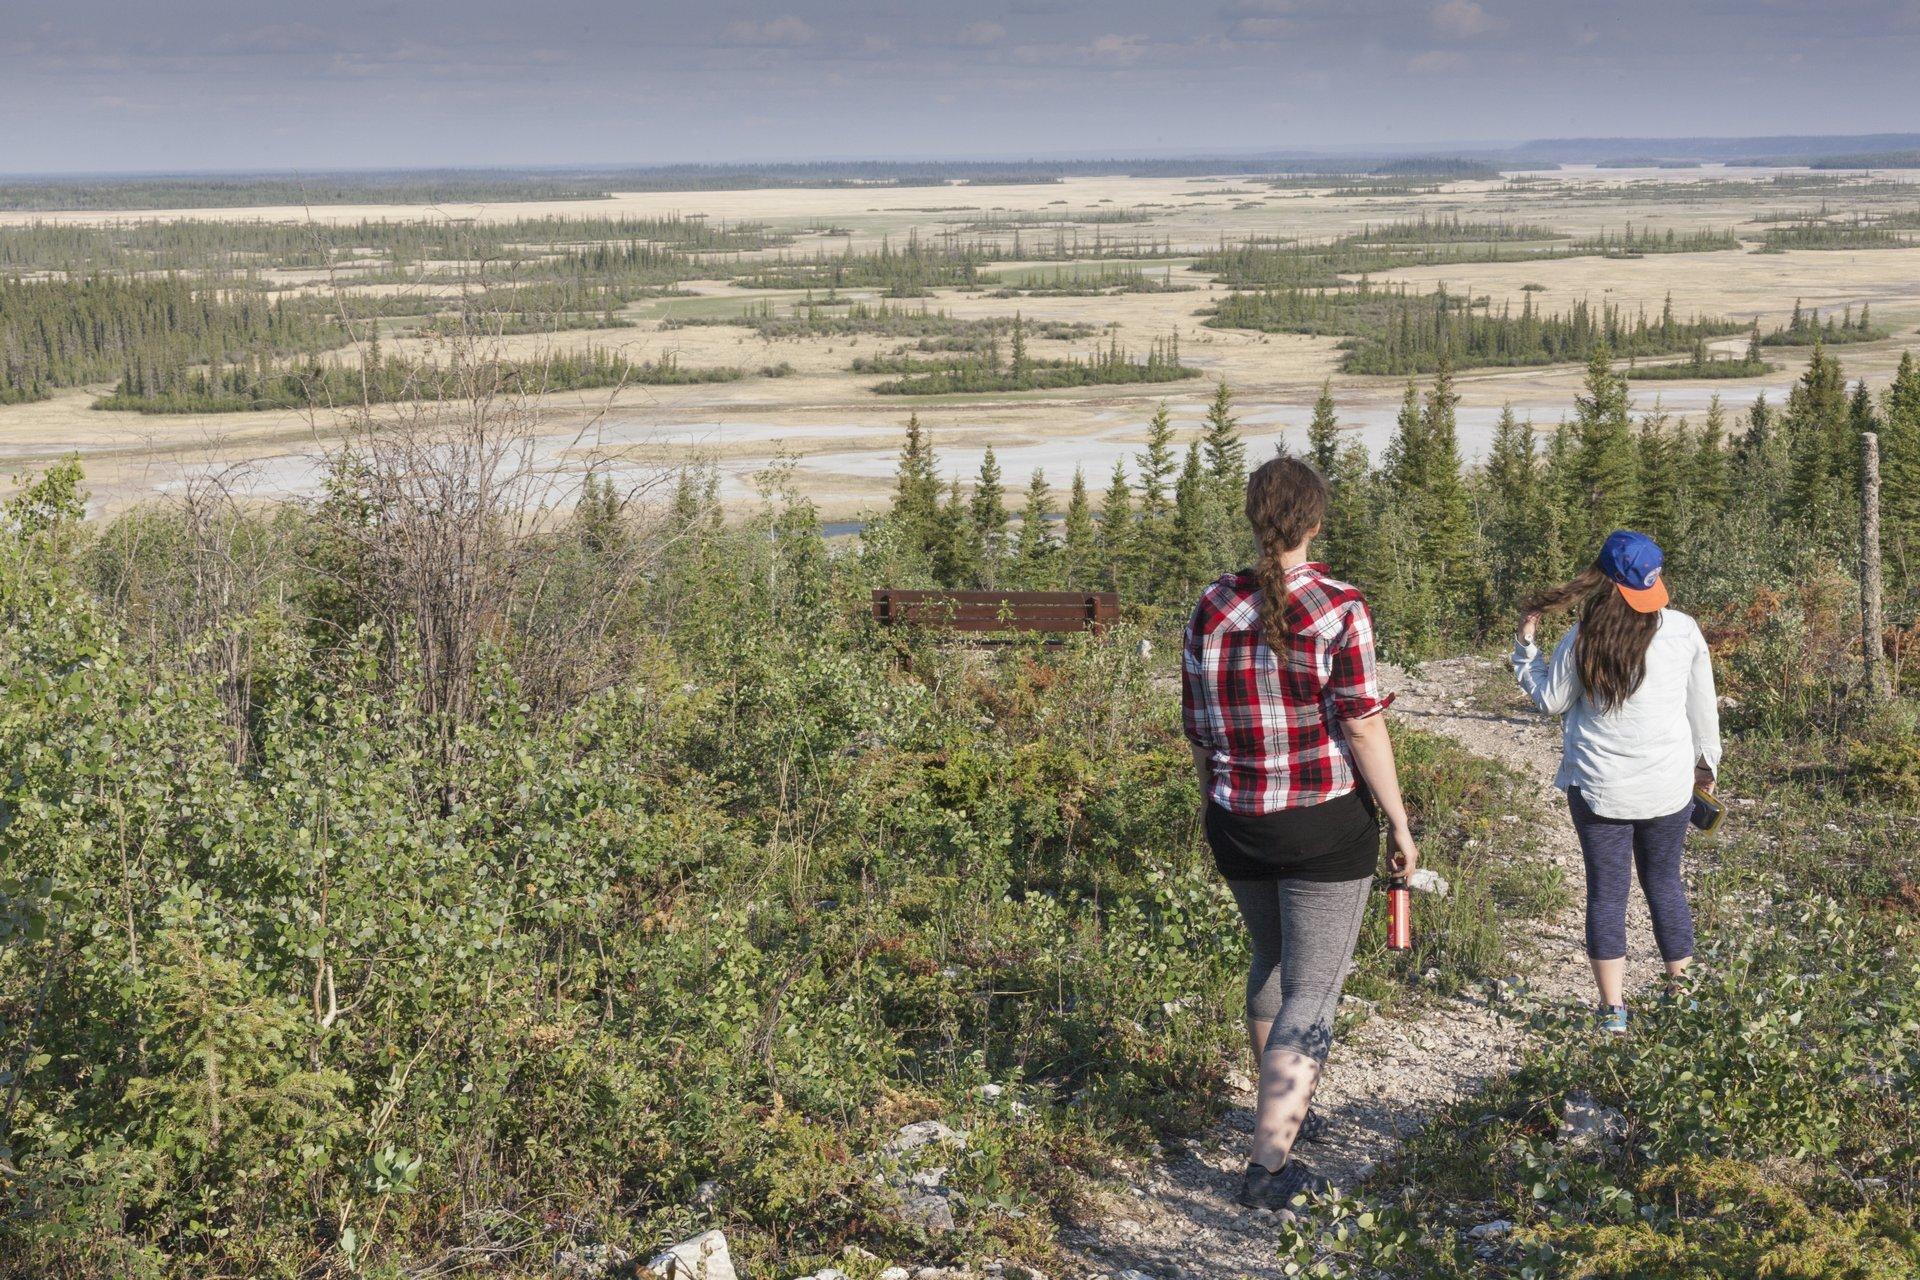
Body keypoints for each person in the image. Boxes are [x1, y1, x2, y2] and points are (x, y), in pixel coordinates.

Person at [1182, 455, 1420, 1212]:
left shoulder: (1213, 605)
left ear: (1254, 517)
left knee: (1273, 961)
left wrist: (1211, 803)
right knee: (1313, 992)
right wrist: (1400, 821)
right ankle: (1270, 1166)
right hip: (1321, 823)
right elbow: (1361, 722)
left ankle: (1279, 1121)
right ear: (1314, 520)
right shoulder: (1341, 605)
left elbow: (1197, 727)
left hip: (1236, 820)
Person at [1514, 530, 1721, 1035]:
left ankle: (1612, 1013)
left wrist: (1525, 648)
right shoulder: (1684, 630)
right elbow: (1703, 707)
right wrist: (1706, 767)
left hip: (1600, 790)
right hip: (1668, 789)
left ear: (1605, 581)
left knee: (1607, 895)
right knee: (1666, 884)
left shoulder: (1584, 637)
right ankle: (1684, 999)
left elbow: (1550, 701)